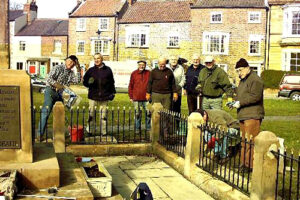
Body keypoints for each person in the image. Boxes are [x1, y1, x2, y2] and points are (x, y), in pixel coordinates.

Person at [229, 58, 264, 171]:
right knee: (244, 141)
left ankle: (250, 165)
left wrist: (239, 103)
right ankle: (244, 163)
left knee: (250, 141)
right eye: (238, 71)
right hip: (243, 114)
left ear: (248, 68)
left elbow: (255, 97)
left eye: (241, 70)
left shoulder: (255, 80)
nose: (239, 73)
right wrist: (234, 101)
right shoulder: (243, 80)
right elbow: (241, 96)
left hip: (252, 114)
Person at [38, 55, 81, 139]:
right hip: (51, 90)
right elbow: (48, 78)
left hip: (61, 93)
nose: (71, 64)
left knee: (61, 114)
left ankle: (58, 135)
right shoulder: (58, 67)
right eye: (70, 61)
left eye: (73, 63)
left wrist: (78, 69)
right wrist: (58, 85)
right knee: (46, 111)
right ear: (66, 60)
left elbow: (77, 81)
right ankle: (40, 134)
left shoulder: (71, 73)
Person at [83, 53, 116, 135]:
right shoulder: (90, 70)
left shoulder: (108, 70)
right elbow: (84, 82)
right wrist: (88, 83)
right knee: (91, 115)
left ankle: (103, 132)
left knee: (103, 116)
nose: (96, 60)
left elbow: (112, 82)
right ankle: (90, 131)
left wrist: (112, 92)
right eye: (95, 59)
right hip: (93, 96)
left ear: (102, 59)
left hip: (104, 96)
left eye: (98, 58)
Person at [128, 60, 151, 133]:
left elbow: (151, 84)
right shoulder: (134, 73)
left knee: (148, 113)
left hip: (147, 98)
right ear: (138, 65)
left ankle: (148, 128)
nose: (141, 66)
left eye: (143, 65)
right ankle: (137, 128)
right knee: (137, 114)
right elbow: (130, 85)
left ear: (145, 65)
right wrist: (131, 97)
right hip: (136, 98)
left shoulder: (149, 73)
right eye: (140, 64)